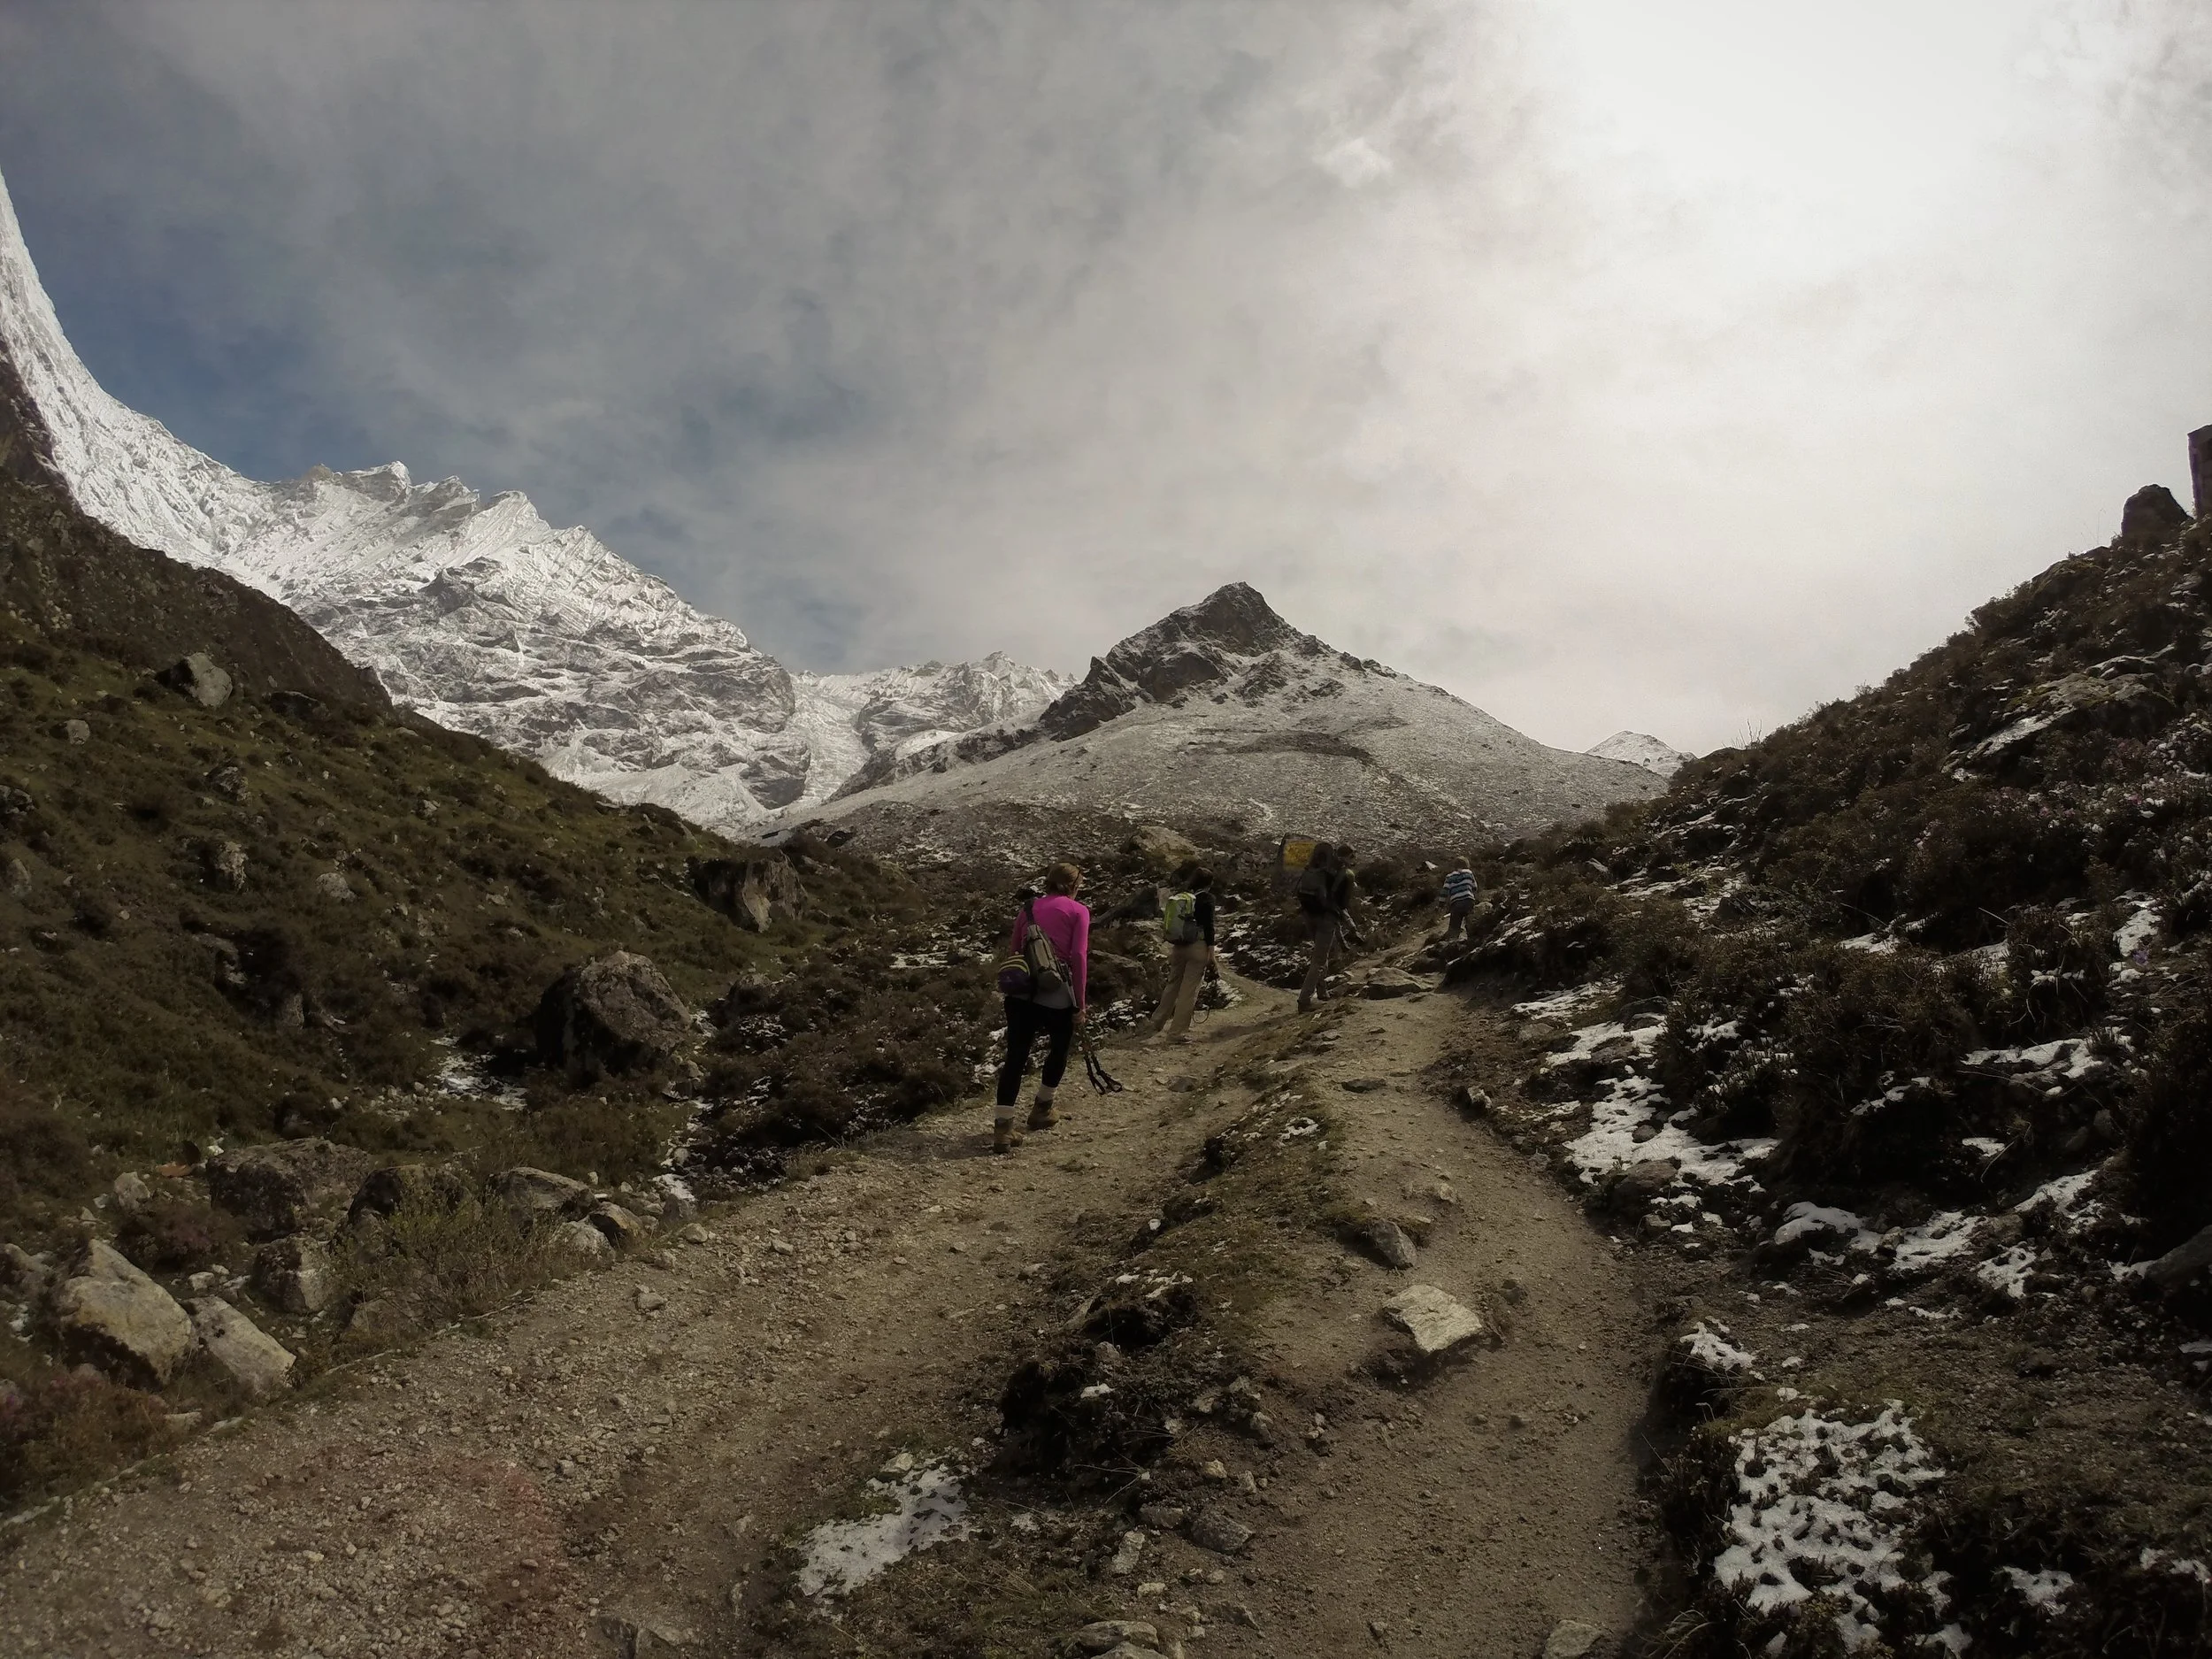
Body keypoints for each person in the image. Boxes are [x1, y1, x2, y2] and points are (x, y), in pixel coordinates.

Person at [995, 862, 1089, 1154]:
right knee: (1059, 1049)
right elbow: (1078, 956)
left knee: (1016, 1058)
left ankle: (1003, 1130)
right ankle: (1043, 1109)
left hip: (1021, 993)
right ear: (1073, 886)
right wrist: (1080, 1004)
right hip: (1057, 992)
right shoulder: (1078, 911)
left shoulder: (1027, 909)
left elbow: (1013, 951)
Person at [1146, 867, 1216, 1043]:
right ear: (1209, 883)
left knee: (1172, 985)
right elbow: (1209, 928)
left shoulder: (1184, 899)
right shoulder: (1207, 899)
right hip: (1198, 947)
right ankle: (1176, 1033)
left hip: (1178, 946)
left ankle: (1154, 1024)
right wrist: (1212, 955)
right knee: (1188, 991)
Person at [1295, 843, 1362, 1013]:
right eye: (1353, 856)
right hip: (1327, 918)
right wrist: (1352, 927)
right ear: (1348, 857)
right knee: (1318, 960)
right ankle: (1304, 1000)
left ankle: (1322, 991)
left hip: (1309, 914)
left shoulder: (1319, 870)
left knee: (1320, 955)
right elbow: (1342, 905)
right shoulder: (1346, 874)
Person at [1441, 856, 1478, 941]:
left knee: (1454, 927)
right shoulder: (1469, 873)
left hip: (1456, 904)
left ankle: (1452, 944)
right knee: (1470, 922)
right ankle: (1472, 941)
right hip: (1469, 901)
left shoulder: (1449, 877)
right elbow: (1475, 887)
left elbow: (1444, 892)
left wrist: (1441, 904)